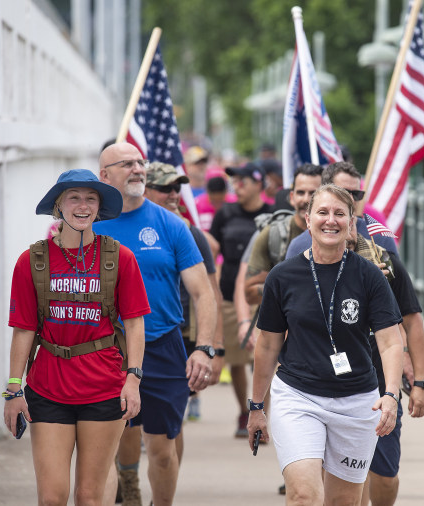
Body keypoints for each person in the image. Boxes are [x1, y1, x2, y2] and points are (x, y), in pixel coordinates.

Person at [248, 184, 404, 505]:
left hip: (357, 401)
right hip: (298, 396)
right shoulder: (282, 276)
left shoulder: (369, 276)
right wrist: (256, 406)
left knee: (343, 502)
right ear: (308, 219)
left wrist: (390, 394)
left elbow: (390, 342)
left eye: (339, 214)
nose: (330, 220)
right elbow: (267, 346)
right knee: (304, 494)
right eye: (322, 212)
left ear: (351, 224)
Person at [4, 169, 148, 506]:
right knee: (52, 497)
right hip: (47, 388)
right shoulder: (32, 261)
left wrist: (134, 379)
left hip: (104, 388)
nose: (82, 206)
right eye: (74, 198)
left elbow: (135, 324)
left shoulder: (120, 258)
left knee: (89, 496)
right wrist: (13, 389)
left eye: (90, 199)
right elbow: (24, 329)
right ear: (59, 205)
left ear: (99, 208)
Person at [95, 143, 217, 506]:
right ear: (105, 176)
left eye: (140, 162)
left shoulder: (172, 225)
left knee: (162, 450)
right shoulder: (90, 223)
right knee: (107, 444)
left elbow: (203, 293)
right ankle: (126, 484)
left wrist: (204, 348)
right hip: (105, 349)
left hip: (163, 346)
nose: (138, 169)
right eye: (127, 164)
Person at [346, 235, 424, 506]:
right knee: (347, 477)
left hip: (380, 387)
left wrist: (421, 383)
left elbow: (412, 321)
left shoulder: (385, 262)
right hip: (328, 388)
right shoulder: (303, 259)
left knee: (384, 475)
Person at [210, 161, 272, 437]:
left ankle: (263, 413)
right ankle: (243, 411)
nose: (238, 187)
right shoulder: (225, 213)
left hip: (265, 296)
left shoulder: (272, 214)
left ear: (259, 183)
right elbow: (212, 249)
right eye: (235, 182)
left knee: (265, 358)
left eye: (243, 181)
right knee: (235, 359)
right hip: (230, 295)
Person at [244, 163, 324, 306]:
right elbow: (249, 294)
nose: (305, 199)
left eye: (313, 193)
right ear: (292, 197)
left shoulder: (337, 235)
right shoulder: (272, 233)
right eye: (300, 192)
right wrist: (291, 283)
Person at [286, 162, 399, 259]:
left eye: (355, 194)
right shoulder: (298, 246)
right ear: (324, 190)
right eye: (342, 192)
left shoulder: (381, 238)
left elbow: (398, 282)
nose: (350, 199)